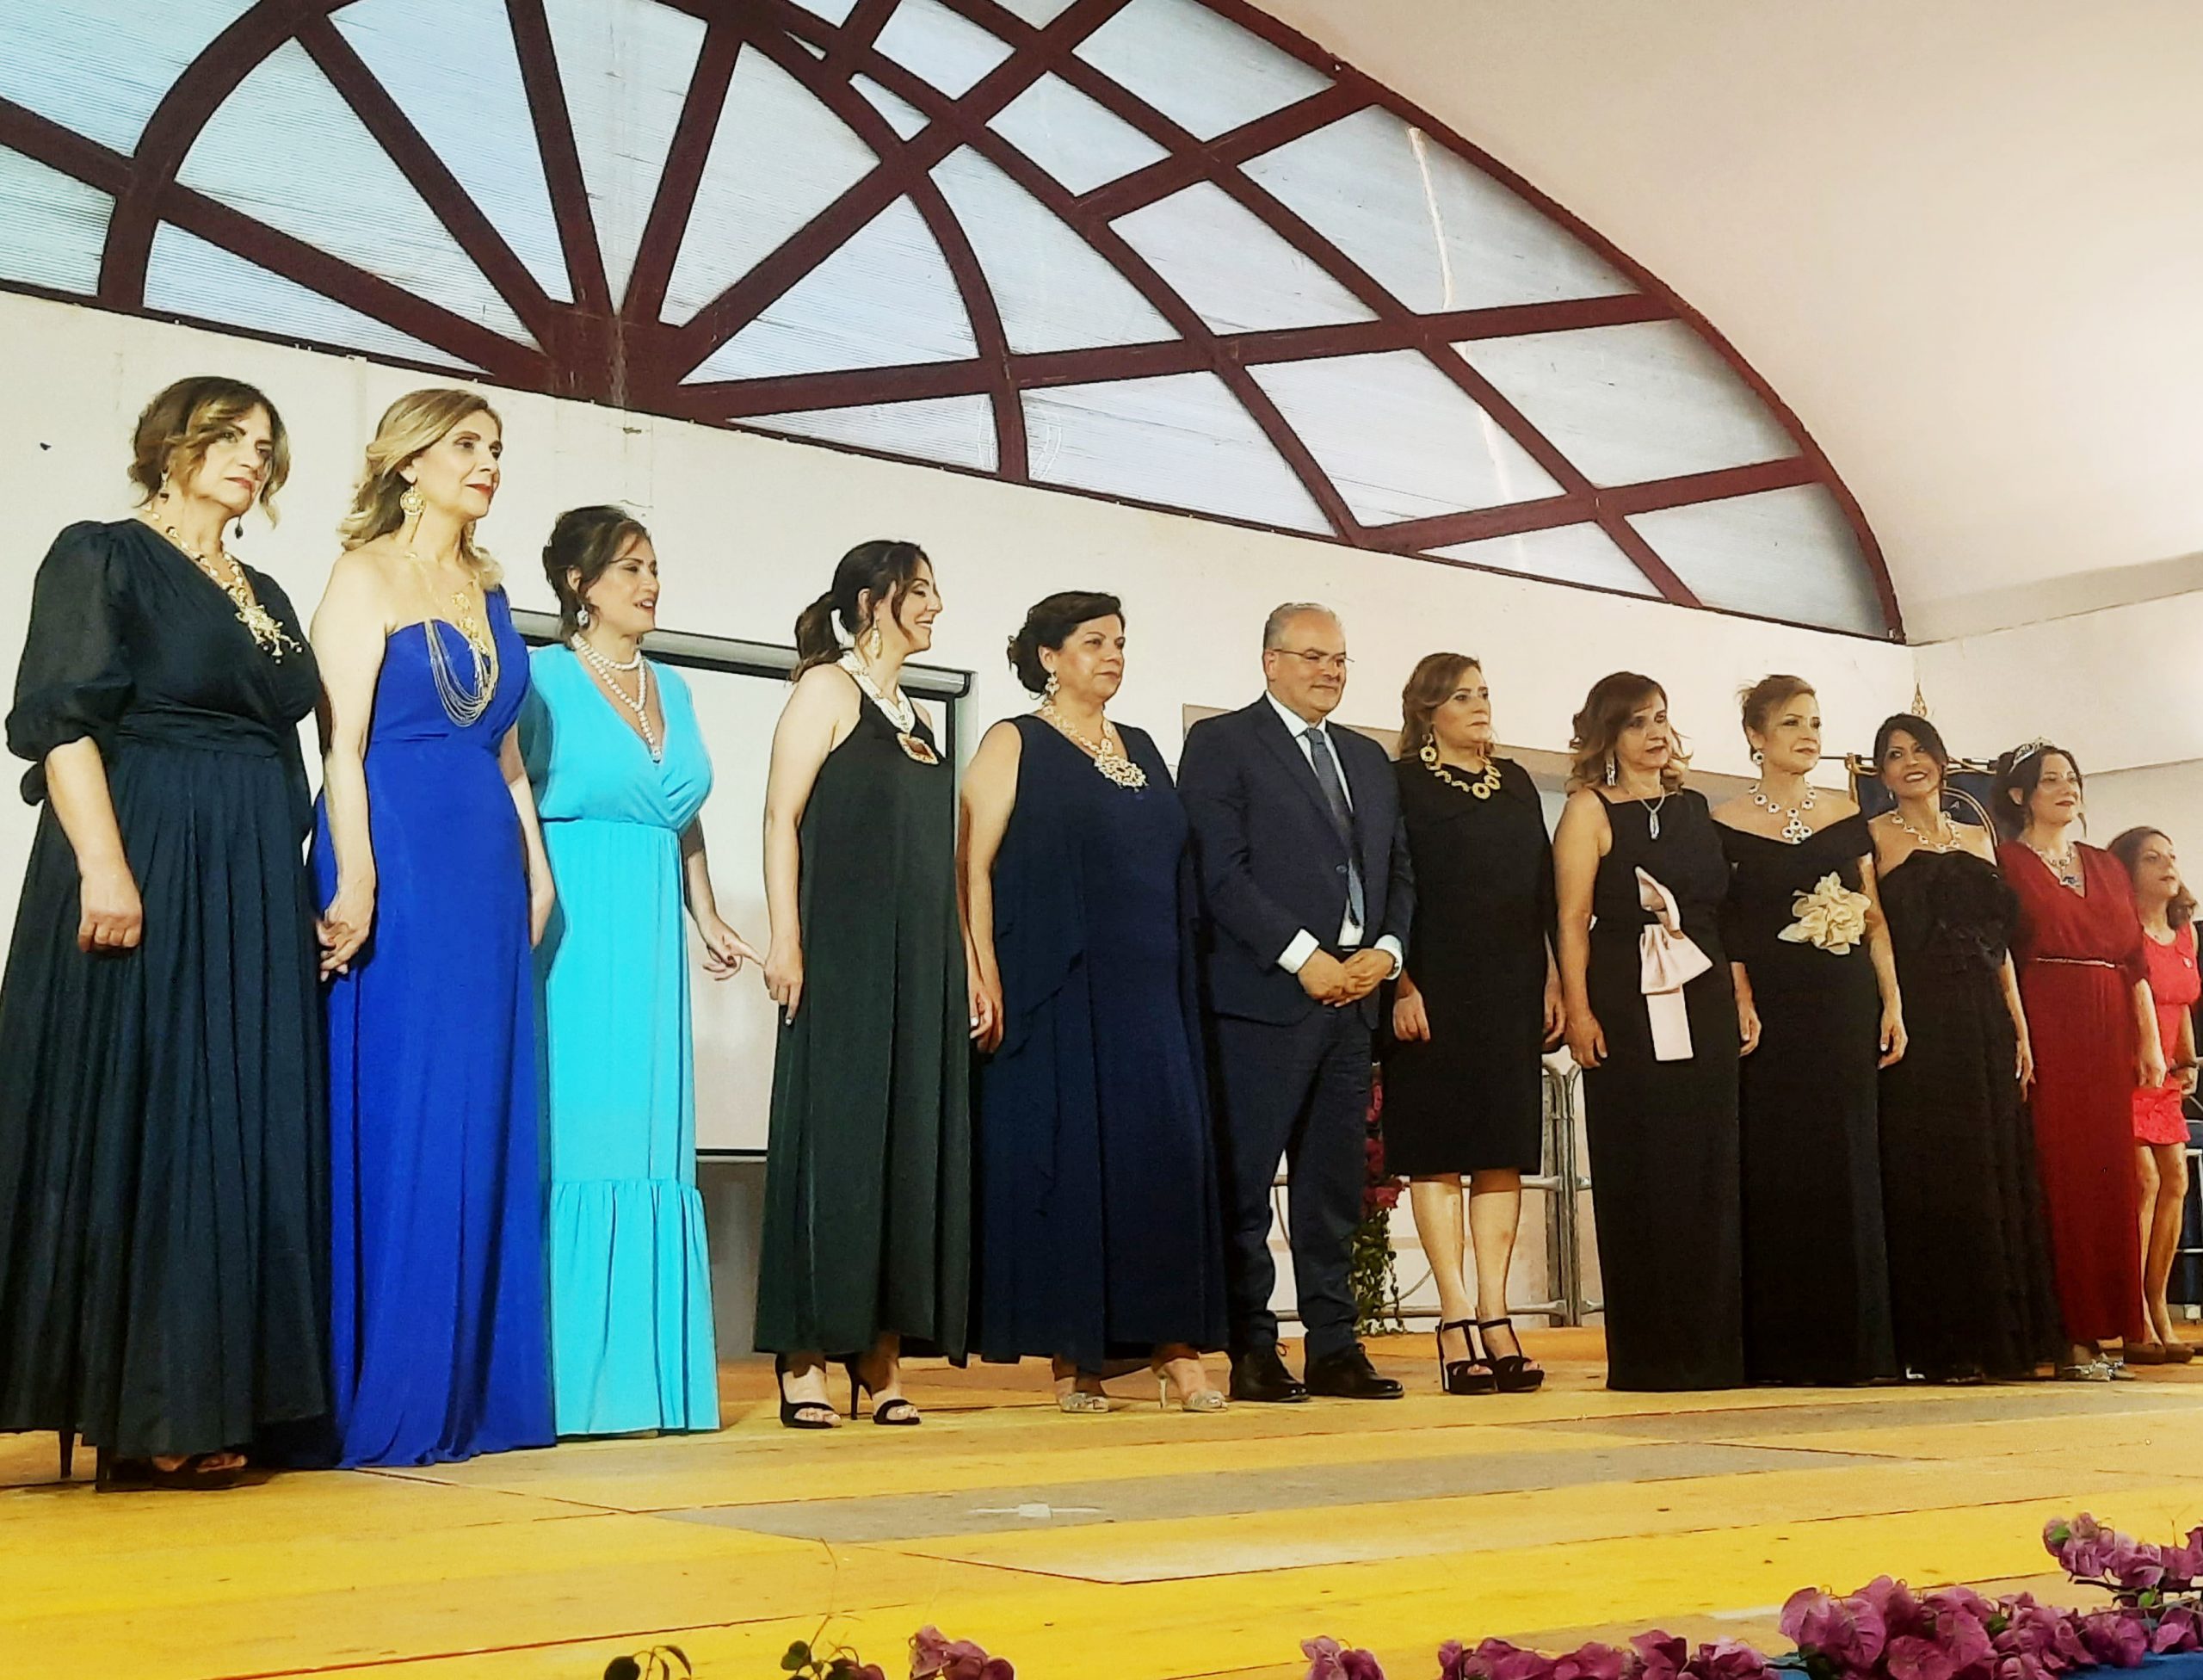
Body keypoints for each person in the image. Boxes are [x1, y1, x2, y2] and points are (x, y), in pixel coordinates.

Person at [0, 377, 325, 1488]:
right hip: (148, 845)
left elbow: (285, 743)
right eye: (228, 436)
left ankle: (214, 1391)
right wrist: (105, 865)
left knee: (235, 1124)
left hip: (249, 872)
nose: (250, 457)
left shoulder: (264, 588)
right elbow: (62, 722)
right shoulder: (102, 553)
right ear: (170, 444)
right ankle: (152, 1405)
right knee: (160, 1117)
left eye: (265, 444)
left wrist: (303, 880)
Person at [311, 389, 556, 1465]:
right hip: (395, 842)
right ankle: (391, 1384)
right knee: (409, 1102)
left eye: (496, 448)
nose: (487, 462)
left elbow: (506, 749)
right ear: (409, 462)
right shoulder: (364, 575)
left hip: (483, 862)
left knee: (480, 1105)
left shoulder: (487, 588)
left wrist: (536, 864)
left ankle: (473, 1390)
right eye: (466, 444)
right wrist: (358, 873)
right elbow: (341, 744)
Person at [522, 507, 758, 1436]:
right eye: (629, 567)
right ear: (578, 583)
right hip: (573, 923)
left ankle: (646, 1384)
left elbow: (679, 812)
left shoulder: (675, 686)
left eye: (654, 566)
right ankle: (568, 1381)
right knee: (582, 1136)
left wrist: (705, 910)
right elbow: (506, 797)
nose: (650, 583)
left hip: (653, 926)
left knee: (648, 1143)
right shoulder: (541, 678)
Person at [961, 592, 1227, 1413]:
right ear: (1048, 656)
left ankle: (1175, 1347)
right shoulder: (1014, 740)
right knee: (1076, 1164)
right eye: (1093, 642)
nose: (1112, 655)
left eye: (1119, 642)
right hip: (1059, 987)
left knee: (1163, 1159)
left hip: (1151, 989)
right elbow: (970, 865)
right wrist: (982, 968)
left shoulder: (1142, 746)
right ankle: (1075, 1356)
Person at [754, 540, 979, 1430]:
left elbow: (940, 860)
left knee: (905, 1147)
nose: (933, 606)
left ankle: (879, 1352)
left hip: (919, 961)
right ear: (869, 601)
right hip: (842, 952)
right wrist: (787, 937)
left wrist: (965, 962)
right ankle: (805, 1351)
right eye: (919, 590)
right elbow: (780, 817)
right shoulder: (826, 688)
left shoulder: (916, 713)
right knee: (835, 1144)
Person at [1176, 602, 1413, 1405]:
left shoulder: (1367, 758)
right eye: (1313, 657)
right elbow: (1219, 871)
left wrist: (1387, 950)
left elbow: (1397, 870)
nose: (1329, 672)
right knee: (1245, 1188)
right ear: (1270, 661)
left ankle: (1335, 1347)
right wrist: (1301, 955)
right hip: (1261, 999)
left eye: (1339, 659)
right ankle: (1251, 1348)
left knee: (1333, 1190)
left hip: (1354, 1000)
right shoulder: (1222, 743)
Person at [1552, 673, 1751, 1391]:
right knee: (1644, 1161)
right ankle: (1652, 1354)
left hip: (1703, 991)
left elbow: (1720, 915)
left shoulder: (1695, 807)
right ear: (1609, 735)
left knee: (1708, 1164)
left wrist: (1741, 994)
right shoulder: (1588, 809)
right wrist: (1579, 1010)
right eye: (1638, 721)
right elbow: (1571, 919)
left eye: (1661, 717)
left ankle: (1714, 1349)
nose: (1656, 732)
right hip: (1625, 997)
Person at [1712, 676, 1901, 1386]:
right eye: (1792, 722)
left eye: (1815, 722)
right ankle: (1782, 1345)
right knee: (1777, 1160)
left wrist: (1892, 1001)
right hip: (1773, 1010)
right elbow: (1725, 925)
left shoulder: (1845, 813)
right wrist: (1740, 994)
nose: (1809, 735)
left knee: (1850, 1156)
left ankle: (1858, 1344)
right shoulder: (1724, 821)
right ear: (1756, 736)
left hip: (1844, 1001)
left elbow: (1872, 916)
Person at [1383, 653, 1559, 1395]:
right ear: (1428, 712)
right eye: (1462, 696)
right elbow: (1389, 885)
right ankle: (1454, 1316)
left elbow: (1542, 889)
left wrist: (1552, 975)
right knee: (1437, 1151)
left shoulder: (1515, 782)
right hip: (1433, 985)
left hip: (1510, 985)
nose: (1480, 705)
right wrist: (1401, 983)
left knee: (1500, 1151)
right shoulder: (1400, 784)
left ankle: (1495, 1311)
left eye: (1484, 692)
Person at [1868, 714, 2059, 1381]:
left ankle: (2000, 1336)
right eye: (1895, 755)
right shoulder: (1874, 838)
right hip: (1923, 1016)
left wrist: (2020, 1027)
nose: (1910, 762)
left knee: (1993, 1162)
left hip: (1985, 1016)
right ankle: (1943, 1341)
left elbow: (1998, 944)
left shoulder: (1980, 838)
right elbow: (1876, 933)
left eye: (1920, 750)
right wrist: (1892, 1006)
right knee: (1938, 1167)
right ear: (1882, 774)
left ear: (1943, 759)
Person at [1994, 742, 2165, 1380]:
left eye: (2072, 778)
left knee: (2109, 1172)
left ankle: (2107, 1327)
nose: (2067, 788)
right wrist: (2018, 1033)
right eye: (2051, 780)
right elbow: (2002, 953)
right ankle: (2067, 1334)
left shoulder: (2105, 865)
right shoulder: (2006, 862)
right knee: (2059, 1171)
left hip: (2109, 1023)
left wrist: (2149, 1040)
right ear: (2020, 795)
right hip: (2048, 1016)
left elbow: (2135, 960)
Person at [2108, 826, 2199, 1365]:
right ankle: (2134, 1315)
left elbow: (2182, 1000)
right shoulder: (2122, 932)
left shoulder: (2184, 933)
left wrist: (2188, 1059)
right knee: (2143, 1182)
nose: (2167, 866)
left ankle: (2159, 1304)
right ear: (2128, 871)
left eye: (2171, 855)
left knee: (2177, 1181)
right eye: (2151, 858)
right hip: (2126, 1068)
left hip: (2166, 1076)